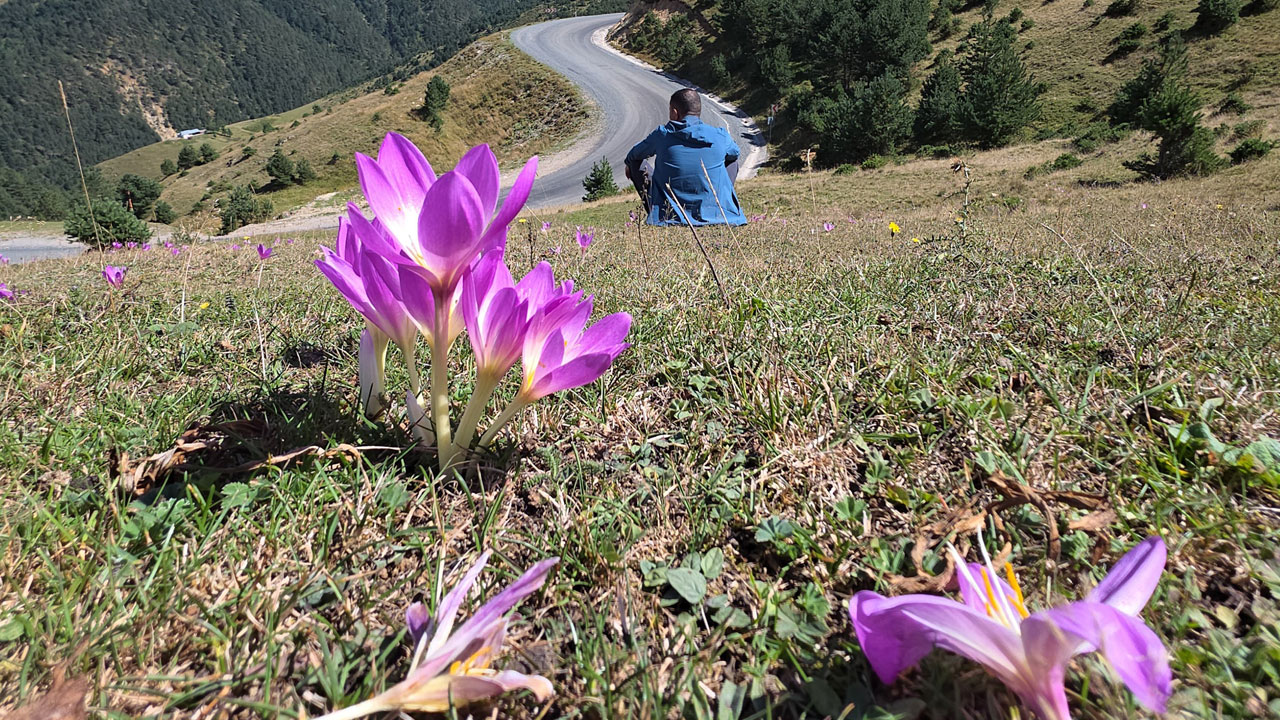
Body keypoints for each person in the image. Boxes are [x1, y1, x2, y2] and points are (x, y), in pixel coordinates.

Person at [624, 89, 747, 227]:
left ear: (675, 112)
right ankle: (720, 208)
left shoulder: (662, 134)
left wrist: (629, 164)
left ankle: (658, 213)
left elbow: (633, 154)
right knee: (732, 161)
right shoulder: (720, 135)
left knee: (635, 162)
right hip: (718, 214)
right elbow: (735, 153)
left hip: (670, 214)